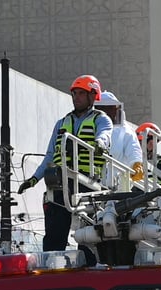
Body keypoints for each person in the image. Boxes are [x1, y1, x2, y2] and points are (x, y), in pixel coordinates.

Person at [17, 74, 113, 251]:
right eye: (74, 93)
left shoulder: (101, 119)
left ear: (93, 95)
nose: (76, 97)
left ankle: (88, 266)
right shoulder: (62, 123)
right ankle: (52, 266)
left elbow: (104, 135)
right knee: (54, 233)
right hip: (61, 183)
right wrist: (33, 180)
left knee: (88, 236)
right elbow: (50, 155)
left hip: (88, 184)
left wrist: (100, 144)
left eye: (81, 93)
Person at [94, 91, 144, 184]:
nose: (107, 114)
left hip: (117, 186)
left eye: (110, 109)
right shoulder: (90, 126)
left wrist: (136, 164)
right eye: (102, 109)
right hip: (92, 181)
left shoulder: (125, 130)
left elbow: (133, 149)